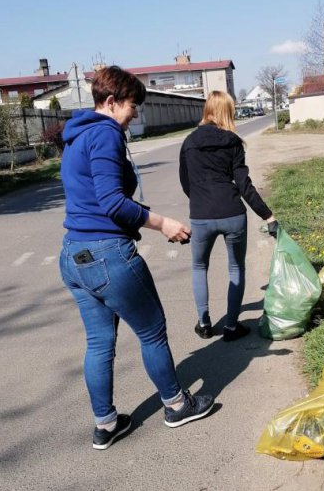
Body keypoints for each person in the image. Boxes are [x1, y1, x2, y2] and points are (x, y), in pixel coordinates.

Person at [59, 65, 214, 450]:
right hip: (108, 255)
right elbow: (112, 203)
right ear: (111, 102)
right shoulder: (106, 135)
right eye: (132, 107)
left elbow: (92, 198)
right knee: (152, 331)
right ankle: (177, 405)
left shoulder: (76, 136)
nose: (135, 115)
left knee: (98, 344)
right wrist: (161, 223)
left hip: (73, 254)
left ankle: (106, 424)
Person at [179, 90, 277, 342]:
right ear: (228, 112)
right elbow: (245, 185)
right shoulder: (233, 142)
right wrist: (268, 216)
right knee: (236, 267)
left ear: (207, 110)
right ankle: (232, 327)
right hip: (233, 213)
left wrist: (200, 201)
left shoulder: (189, 142)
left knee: (199, 266)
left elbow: (185, 182)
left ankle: (204, 323)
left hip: (201, 214)